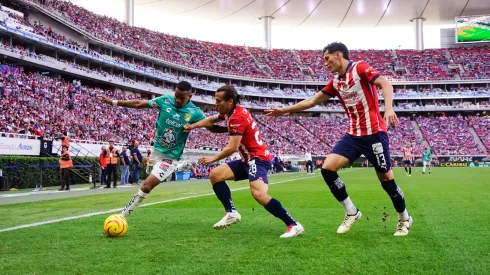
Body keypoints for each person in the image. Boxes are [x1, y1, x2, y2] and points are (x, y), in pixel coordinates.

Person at [265, 42, 412, 237]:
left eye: (327, 58)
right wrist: (283, 110)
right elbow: (312, 101)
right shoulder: (336, 82)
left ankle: (404, 218)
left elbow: (385, 83)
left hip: (375, 133)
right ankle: (352, 211)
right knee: (327, 168)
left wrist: (389, 108)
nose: (325, 63)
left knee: (387, 180)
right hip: (353, 135)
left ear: (338, 55)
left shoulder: (359, 68)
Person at [185, 85, 304, 238]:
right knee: (215, 175)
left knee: (259, 194)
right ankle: (231, 212)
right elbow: (210, 119)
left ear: (230, 101)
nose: (216, 104)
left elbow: (233, 147)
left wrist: (213, 158)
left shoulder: (236, 117)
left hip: (257, 159)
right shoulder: (232, 111)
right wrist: (193, 126)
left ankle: (293, 224)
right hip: (248, 160)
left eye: (218, 101)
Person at [97, 81, 226, 218]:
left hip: (170, 157)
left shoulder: (195, 113)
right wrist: (114, 102)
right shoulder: (165, 100)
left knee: (147, 185)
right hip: (155, 152)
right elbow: (139, 104)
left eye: (181, 98)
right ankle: (172, 168)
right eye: (176, 95)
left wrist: (233, 129)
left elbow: (212, 128)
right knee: (150, 173)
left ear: (190, 97)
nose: (177, 100)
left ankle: (121, 216)